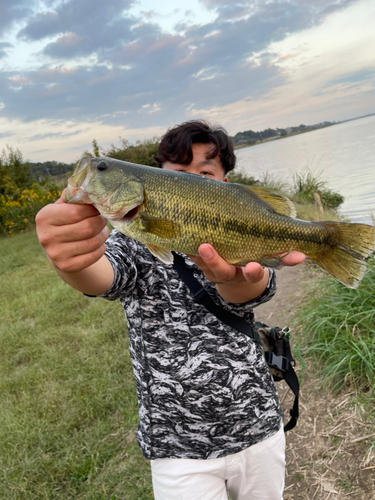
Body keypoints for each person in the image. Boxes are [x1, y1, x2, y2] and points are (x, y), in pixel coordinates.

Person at [36, 120, 305, 500]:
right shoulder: (132, 242)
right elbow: (102, 275)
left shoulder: (242, 238)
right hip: (177, 448)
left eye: (206, 173)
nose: (193, 180)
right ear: (157, 179)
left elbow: (250, 287)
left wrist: (237, 278)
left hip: (256, 425)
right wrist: (71, 262)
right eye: (179, 173)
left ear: (225, 185)